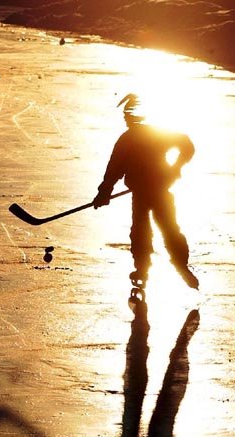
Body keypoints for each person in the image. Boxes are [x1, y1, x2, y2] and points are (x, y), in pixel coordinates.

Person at [93, 94, 199, 291]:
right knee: (155, 228)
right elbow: (114, 169)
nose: (125, 119)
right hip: (148, 192)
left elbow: (114, 170)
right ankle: (156, 266)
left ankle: (152, 266)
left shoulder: (133, 138)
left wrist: (176, 167)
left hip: (152, 192)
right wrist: (104, 192)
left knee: (149, 229)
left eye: (127, 115)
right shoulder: (151, 135)